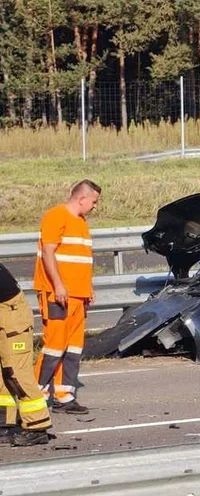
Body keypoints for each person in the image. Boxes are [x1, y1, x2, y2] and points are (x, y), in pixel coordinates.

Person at [34, 179, 101, 414]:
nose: (95, 206)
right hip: (58, 294)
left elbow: (80, 260)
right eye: (93, 201)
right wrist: (59, 286)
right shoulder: (56, 216)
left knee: (73, 348)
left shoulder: (81, 222)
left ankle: (65, 396)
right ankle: (35, 397)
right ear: (81, 198)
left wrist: (87, 289)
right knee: (54, 346)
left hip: (78, 296)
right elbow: (48, 254)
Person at [0, 262, 53, 445]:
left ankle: (37, 426)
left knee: (16, 373)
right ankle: (4, 423)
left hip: (12, 315)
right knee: (1, 375)